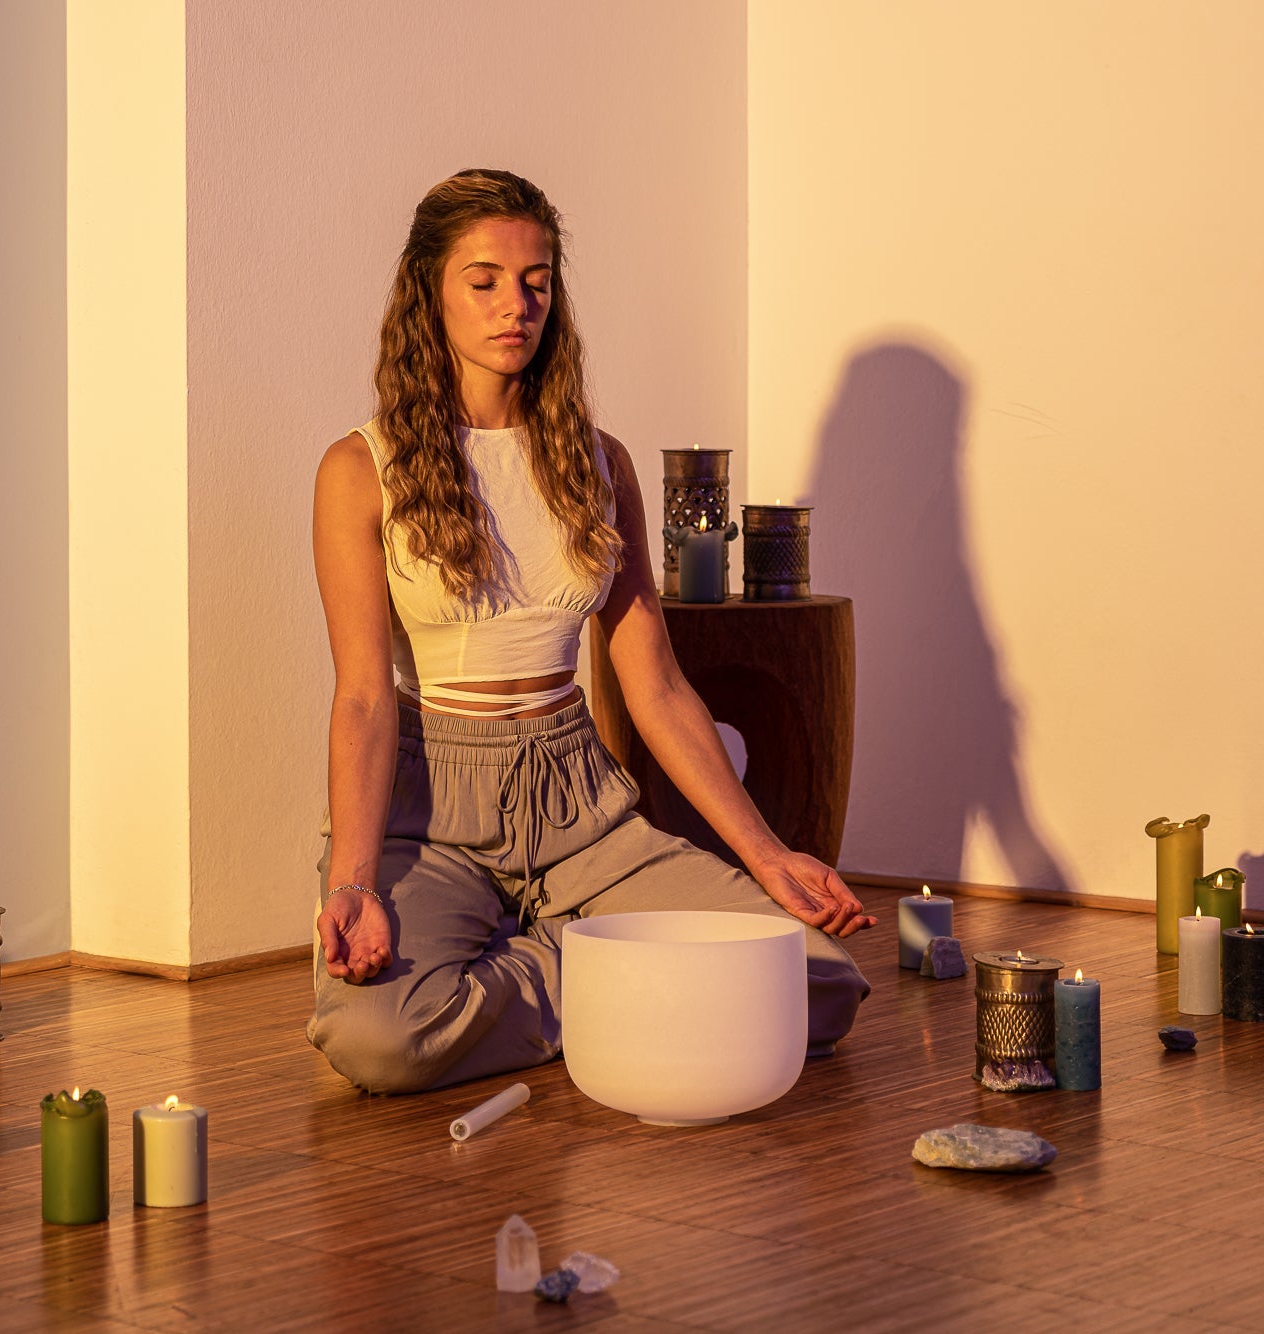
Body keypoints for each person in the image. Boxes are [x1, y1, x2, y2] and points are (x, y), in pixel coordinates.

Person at [306, 169, 872, 1094]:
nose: (514, 306)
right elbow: (366, 695)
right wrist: (356, 884)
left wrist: (769, 856)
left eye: (536, 281)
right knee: (379, 1042)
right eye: (483, 280)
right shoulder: (358, 470)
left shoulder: (596, 461)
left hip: (580, 806)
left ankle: (564, 960)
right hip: (433, 806)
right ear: (428, 292)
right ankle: (613, 973)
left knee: (819, 981)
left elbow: (652, 681)